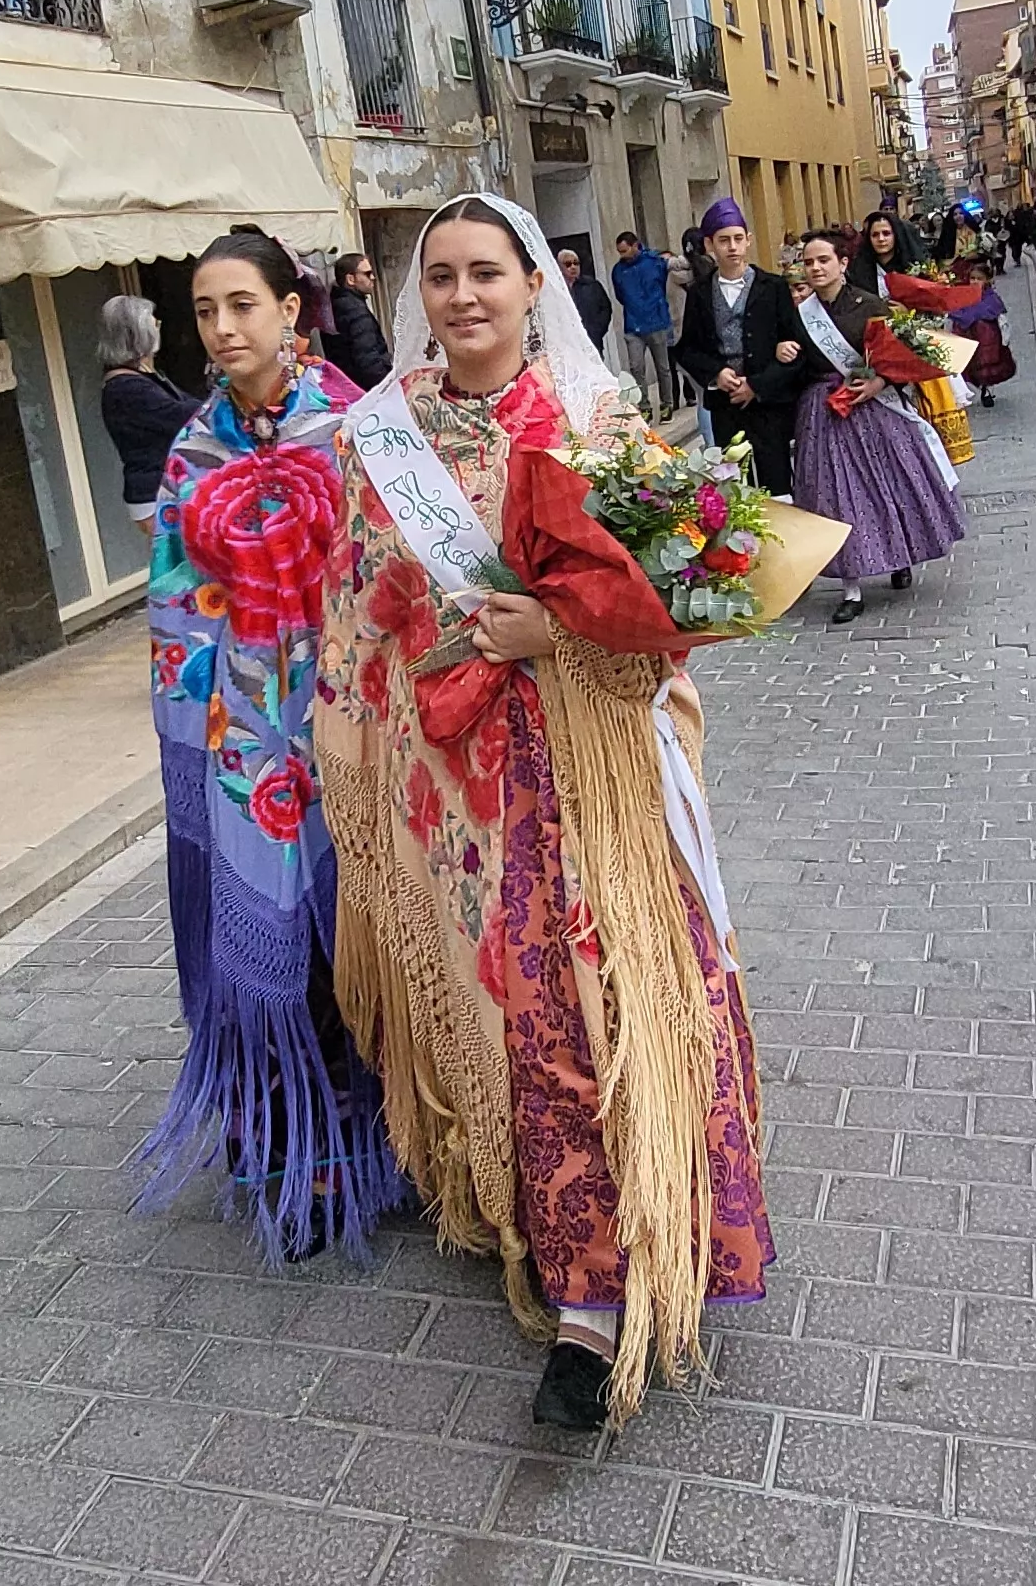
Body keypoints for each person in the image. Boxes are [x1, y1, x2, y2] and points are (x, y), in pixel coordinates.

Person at [315, 192, 769, 1431]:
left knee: (613, 999)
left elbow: (680, 613)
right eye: (443, 276)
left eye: (488, 274)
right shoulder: (380, 437)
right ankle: (570, 1264)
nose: (465, 298)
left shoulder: (596, 421)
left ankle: (633, 1267)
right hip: (458, 788)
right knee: (518, 1017)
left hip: (594, 779)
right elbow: (359, 614)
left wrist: (555, 629)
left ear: (532, 284)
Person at [135, 231, 398, 1264]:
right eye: (204, 310)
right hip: (243, 735)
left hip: (356, 729)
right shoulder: (191, 452)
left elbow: (404, 583)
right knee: (270, 952)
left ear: (293, 310)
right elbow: (171, 605)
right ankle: (299, 1154)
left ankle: (398, 1142)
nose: (223, 328)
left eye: (242, 304)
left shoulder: (361, 430)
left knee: (363, 937)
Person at [787, 228, 967, 623]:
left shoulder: (871, 306)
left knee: (889, 487)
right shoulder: (799, 316)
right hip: (824, 414)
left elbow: (902, 360)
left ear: (843, 264)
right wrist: (784, 353)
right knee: (835, 497)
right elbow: (795, 368)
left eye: (823, 260)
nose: (815, 268)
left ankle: (898, 554)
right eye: (809, 262)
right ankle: (850, 587)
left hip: (874, 411)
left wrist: (880, 382)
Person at [673, 196, 806, 495]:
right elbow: (687, 349)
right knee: (734, 485)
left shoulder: (772, 288)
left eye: (737, 239)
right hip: (725, 406)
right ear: (709, 245)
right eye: (723, 240)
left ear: (748, 241)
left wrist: (757, 385)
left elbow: (796, 350)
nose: (732, 247)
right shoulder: (699, 293)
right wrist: (715, 373)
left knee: (777, 482)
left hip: (768, 406)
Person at [97, 294, 196, 530]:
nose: (159, 330)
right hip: (154, 493)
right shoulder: (126, 388)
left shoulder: (142, 376)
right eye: (154, 324)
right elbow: (183, 415)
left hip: (163, 487)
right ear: (138, 333)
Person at [609, 230, 675, 413]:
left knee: (663, 367)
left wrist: (657, 305)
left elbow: (662, 284)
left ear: (635, 246)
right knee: (636, 367)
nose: (622, 255)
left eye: (624, 251)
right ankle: (644, 405)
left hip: (656, 321)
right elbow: (620, 295)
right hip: (633, 324)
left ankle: (667, 403)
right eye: (619, 252)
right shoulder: (618, 270)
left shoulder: (654, 263)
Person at [321, 252, 394, 390]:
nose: (373, 278)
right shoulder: (354, 310)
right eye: (367, 274)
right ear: (351, 279)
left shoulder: (336, 305)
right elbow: (368, 360)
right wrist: (387, 388)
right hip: (365, 390)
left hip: (347, 388)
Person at [558, 245, 615, 357]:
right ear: (560, 267)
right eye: (568, 264)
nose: (573, 267)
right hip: (568, 346)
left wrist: (597, 331)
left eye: (576, 263)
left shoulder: (591, 285)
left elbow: (605, 309)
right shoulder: (557, 289)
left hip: (592, 341)